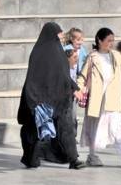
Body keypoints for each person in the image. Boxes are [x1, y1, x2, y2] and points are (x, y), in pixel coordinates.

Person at [18, 22, 86, 170]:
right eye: (58, 33)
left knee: (65, 128)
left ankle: (73, 159)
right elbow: (33, 77)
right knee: (33, 130)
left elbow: (63, 75)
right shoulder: (43, 53)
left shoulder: (54, 52)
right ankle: (30, 159)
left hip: (56, 98)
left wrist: (74, 88)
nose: (60, 36)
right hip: (40, 99)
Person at [78, 28, 121, 168]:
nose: (111, 43)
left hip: (112, 99)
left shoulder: (115, 55)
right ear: (99, 41)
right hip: (97, 99)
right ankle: (92, 155)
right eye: (108, 41)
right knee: (94, 127)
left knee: (116, 127)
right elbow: (83, 76)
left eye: (113, 40)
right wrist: (78, 90)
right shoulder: (92, 57)